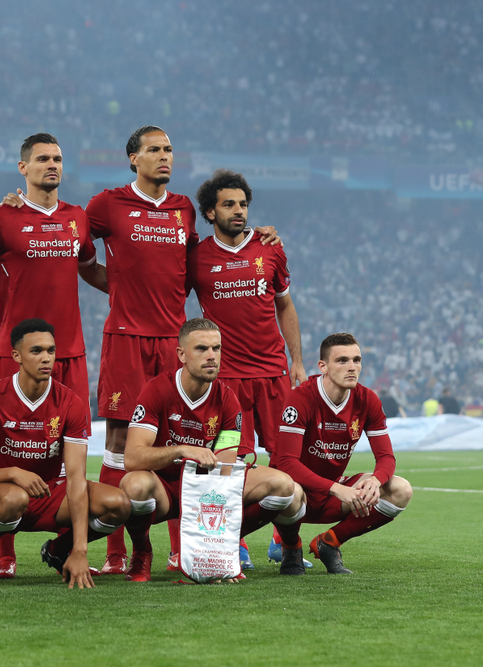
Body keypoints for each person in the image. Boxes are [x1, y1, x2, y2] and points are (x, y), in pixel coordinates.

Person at [86, 126, 279, 575]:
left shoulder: (183, 209)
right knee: (119, 444)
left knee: (187, 441)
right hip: (126, 339)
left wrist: (260, 235)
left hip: (175, 342)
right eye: (154, 149)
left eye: (169, 149)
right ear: (133, 158)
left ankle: (181, 551)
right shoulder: (108, 204)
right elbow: (76, 250)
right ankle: (116, 555)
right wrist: (119, 290)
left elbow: (202, 257)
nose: (164, 156)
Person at [0, 133, 107, 579]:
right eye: (43, 158)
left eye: (58, 159)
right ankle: (3, 556)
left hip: (71, 352)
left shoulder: (77, 218)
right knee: (5, 452)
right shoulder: (2, 218)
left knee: (71, 456)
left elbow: (90, 268)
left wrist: (145, 289)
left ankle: (65, 547)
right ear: (23, 168)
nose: (52, 165)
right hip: (15, 353)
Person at [120, 318, 307, 581]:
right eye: (201, 349)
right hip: (166, 488)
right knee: (134, 485)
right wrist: (181, 450)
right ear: (181, 354)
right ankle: (142, 553)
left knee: (284, 486)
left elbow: (224, 474)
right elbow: (132, 457)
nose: (211, 356)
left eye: (216, 348)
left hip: (206, 487)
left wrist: (216, 550)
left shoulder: (228, 400)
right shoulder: (156, 390)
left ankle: (220, 549)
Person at [188, 169, 306, 570]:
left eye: (243, 204)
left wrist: (297, 361)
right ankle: (233, 544)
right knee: (230, 464)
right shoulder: (196, 258)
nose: (238, 211)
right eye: (228, 204)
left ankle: (285, 542)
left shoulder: (270, 248)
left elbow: (285, 305)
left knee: (287, 459)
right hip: (226, 382)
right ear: (210, 212)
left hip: (273, 375)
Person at [0, 319, 131, 588]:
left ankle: (58, 550)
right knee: (13, 497)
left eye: (51, 350)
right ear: (16, 355)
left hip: (49, 493)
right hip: (1, 496)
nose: (46, 358)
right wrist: (14, 473)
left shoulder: (71, 403)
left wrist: (80, 550)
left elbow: (76, 479)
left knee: (118, 504)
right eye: (36, 351)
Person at [274, 333, 413, 574]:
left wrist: (375, 480)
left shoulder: (367, 400)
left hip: (332, 494)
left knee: (400, 489)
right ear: (323, 366)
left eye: (357, 360)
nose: (352, 367)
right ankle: (291, 546)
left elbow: (386, 457)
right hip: (297, 494)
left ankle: (329, 542)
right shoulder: (302, 398)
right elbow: (286, 462)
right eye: (342, 360)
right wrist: (336, 488)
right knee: (287, 489)